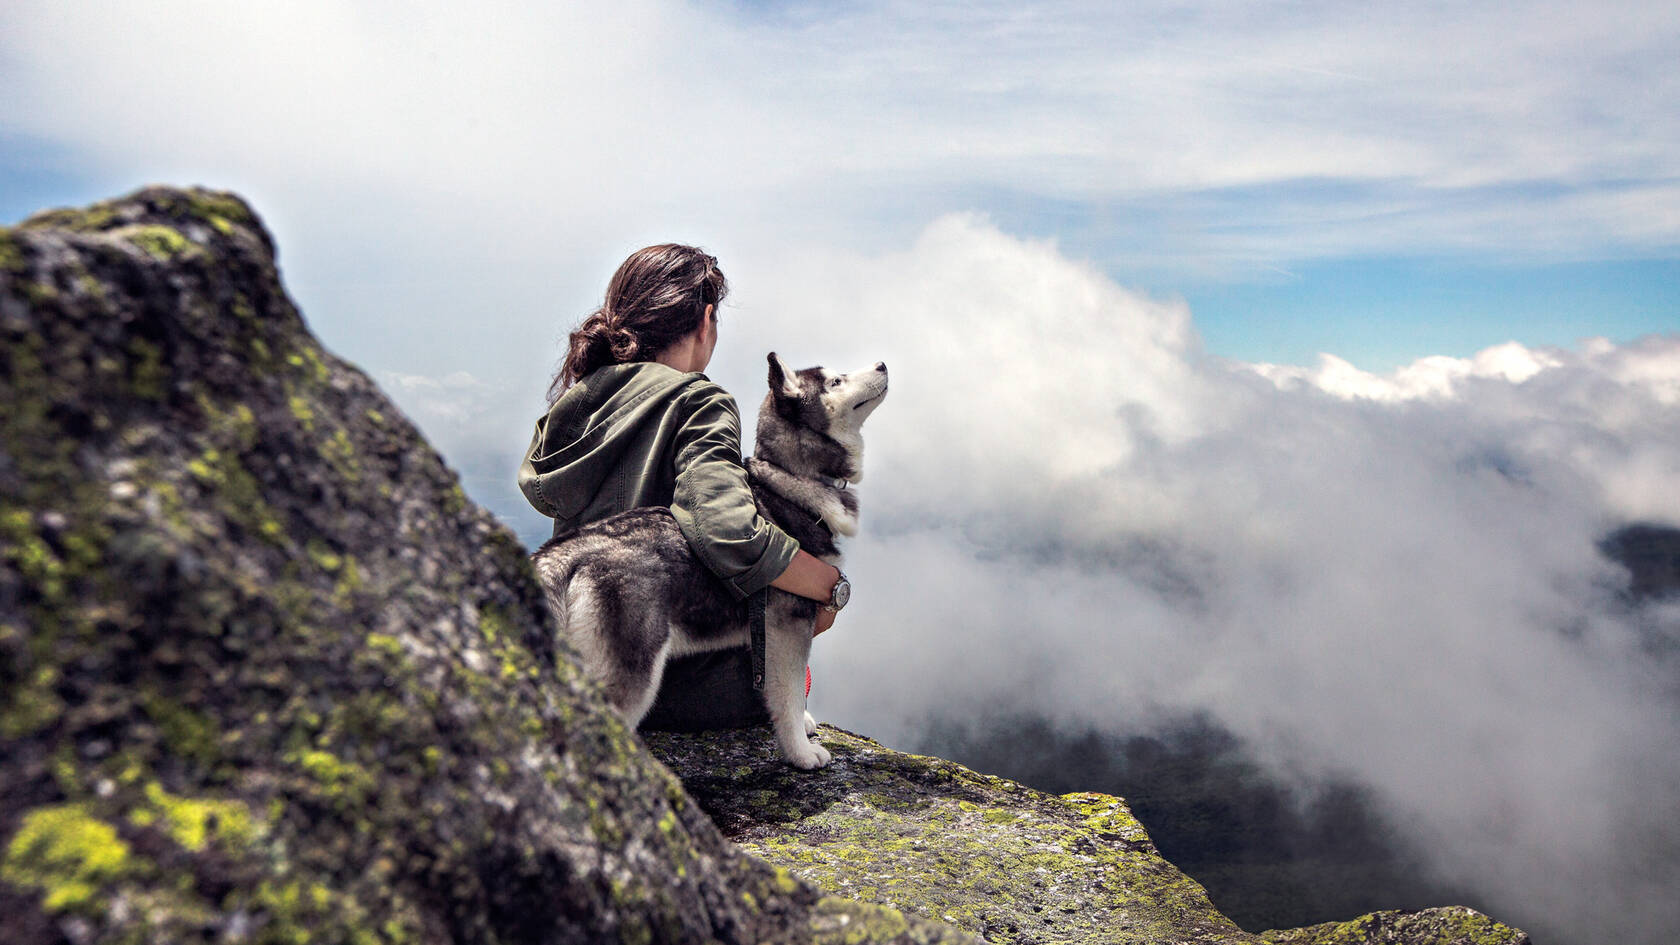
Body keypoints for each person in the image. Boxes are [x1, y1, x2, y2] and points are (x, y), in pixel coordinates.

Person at [517, 243, 844, 731]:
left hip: (578, 666)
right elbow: (727, 527)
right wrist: (827, 586)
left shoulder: (577, 404)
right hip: (669, 683)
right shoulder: (698, 401)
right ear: (706, 319)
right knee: (796, 666)